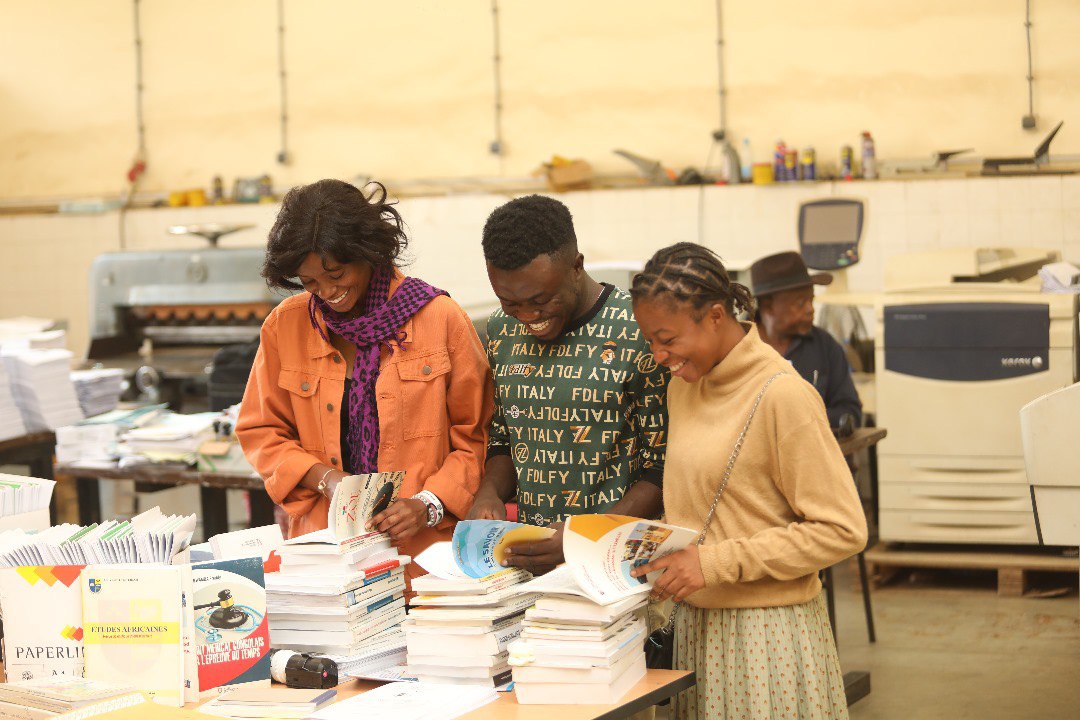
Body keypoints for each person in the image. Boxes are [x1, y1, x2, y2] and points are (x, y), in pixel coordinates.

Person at [629, 242, 868, 720]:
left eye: (668, 339)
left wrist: (715, 563)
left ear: (716, 316)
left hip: (767, 638)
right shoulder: (684, 388)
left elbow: (843, 530)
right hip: (698, 631)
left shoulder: (783, 395)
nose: (658, 356)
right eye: (649, 341)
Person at [235, 179, 493, 585]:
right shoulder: (286, 325)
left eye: (335, 273)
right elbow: (261, 430)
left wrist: (428, 504)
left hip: (423, 562)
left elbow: (477, 436)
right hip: (326, 557)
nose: (328, 292)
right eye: (310, 283)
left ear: (367, 252)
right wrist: (324, 478)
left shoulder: (440, 319)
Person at [467, 195, 668, 575]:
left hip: (618, 568)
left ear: (576, 267)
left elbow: (662, 469)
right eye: (510, 302)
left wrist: (583, 537)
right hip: (530, 564)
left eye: (541, 300)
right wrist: (489, 492)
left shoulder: (639, 327)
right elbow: (505, 440)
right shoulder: (500, 330)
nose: (528, 317)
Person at [750, 250, 862, 430]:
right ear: (768, 306)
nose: (811, 309)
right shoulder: (739, 347)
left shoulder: (826, 347)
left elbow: (849, 412)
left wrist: (799, 419)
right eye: (800, 303)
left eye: (811, 300)